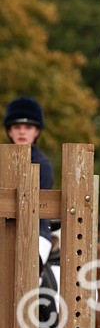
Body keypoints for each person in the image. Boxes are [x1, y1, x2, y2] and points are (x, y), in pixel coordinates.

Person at [3, 96, 55, 263]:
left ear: (37, 131)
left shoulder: (44, 165)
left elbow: (38, 208)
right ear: (10, 131)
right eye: (17, 127)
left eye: (28, 127)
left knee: (30, 265)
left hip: (36, 231)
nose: (22, 131)